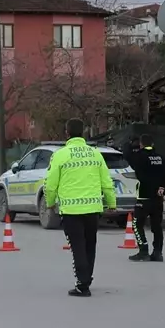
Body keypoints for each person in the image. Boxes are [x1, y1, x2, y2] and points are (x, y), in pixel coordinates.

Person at [44, 118, 117, 297]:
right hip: (93, 209)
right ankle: (87, 278)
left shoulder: (60, 155)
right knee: (90, 245)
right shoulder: (95, 154)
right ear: (83, 132)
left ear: (67, 133)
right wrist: (111, 203)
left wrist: (50, 202)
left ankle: (82, 285)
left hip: (71, 211)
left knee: (77, 246)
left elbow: (50, 184)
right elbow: (106, 182)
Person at [122, 134, 165, 262]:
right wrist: (163, 189)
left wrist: (129, 144)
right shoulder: (161, 158)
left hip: (144, 197)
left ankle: (143, 250)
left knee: (136, 224)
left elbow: (127, 155)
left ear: (141, 144)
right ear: (153, 144)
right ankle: (158, 252)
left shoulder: (139, 157)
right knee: (157, 226)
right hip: (157, 198)